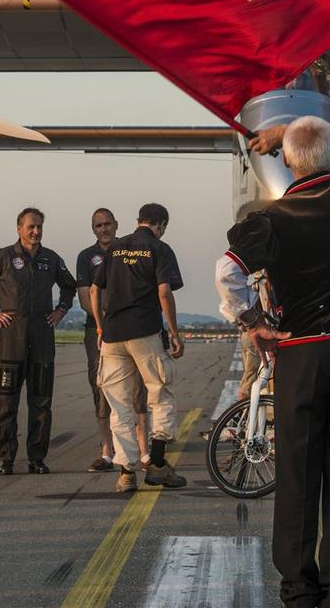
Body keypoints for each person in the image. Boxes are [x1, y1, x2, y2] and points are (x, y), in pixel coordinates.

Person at [215, 116, 330, 608]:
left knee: (297, 473)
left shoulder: (273, 219)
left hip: (297, 355)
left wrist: (252, 322)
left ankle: (297, 591)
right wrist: (291, 128)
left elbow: (227, 271)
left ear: (287, 162)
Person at [0, 207, 76, 474]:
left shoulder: (51, 258)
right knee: (7, 402)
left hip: (42, 338)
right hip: (11, 337)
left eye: (39, 227)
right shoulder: (3, 257)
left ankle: (37, 458)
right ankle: (7, 459)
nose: (36, 232)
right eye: (30, 227)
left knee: (41, 403)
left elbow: (69, 286)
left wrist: (61, 310)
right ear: (19, 228)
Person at [92, 203, 186, 493]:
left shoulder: (115, 248)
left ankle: (126, 473)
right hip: (144, 332)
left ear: (138, 221)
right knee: (160, 394)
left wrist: (100, 326)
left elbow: (96, 289)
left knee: (119, 406)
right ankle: (157, 464)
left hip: (113, 334)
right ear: (161, 224)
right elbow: (164, 291)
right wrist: (173, 331)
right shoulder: (160, 248)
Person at [75, 207, 150, 473]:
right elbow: (86, 297)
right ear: (93, 229)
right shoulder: (86, 257)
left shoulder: (129, 250)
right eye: (98, 226)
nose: (104, 229)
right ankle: (107, 451)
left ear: (117, 225)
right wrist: (104, 322)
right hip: (99, 330)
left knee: (138, 389)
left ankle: (143, 450)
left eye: (108, 224)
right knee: (102, 389)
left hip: (131, 329)